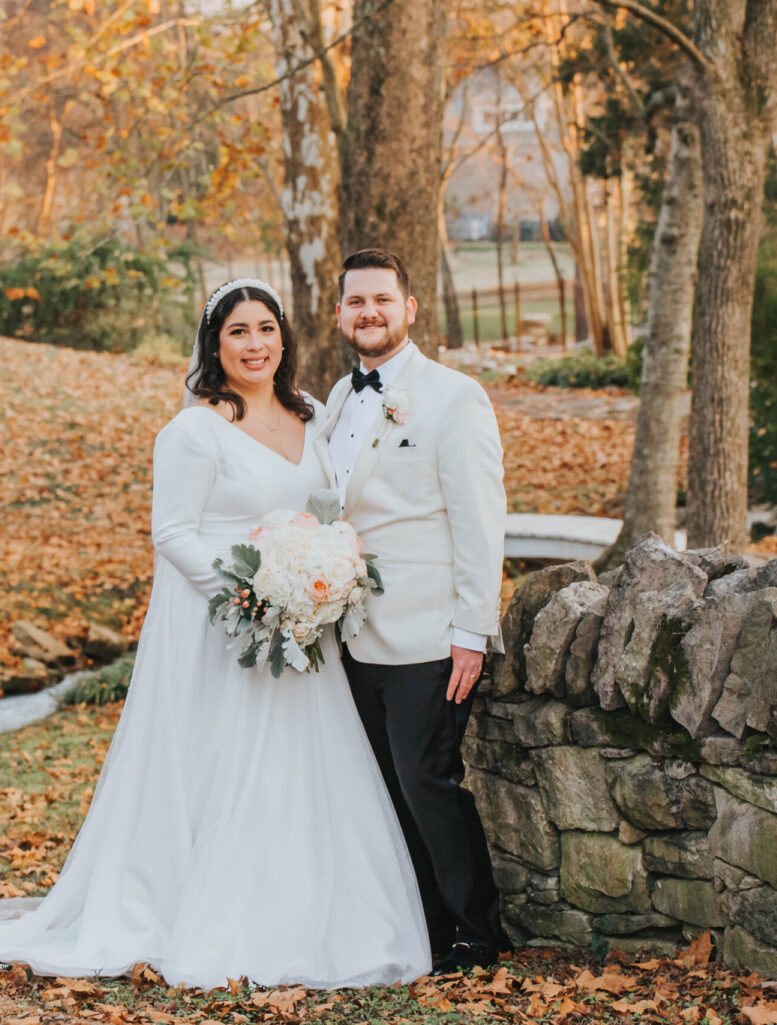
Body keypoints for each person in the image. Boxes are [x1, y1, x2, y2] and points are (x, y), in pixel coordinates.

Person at [0, 279, 431, 989]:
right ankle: (208, 908)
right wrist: (250, 594)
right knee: (219, 766)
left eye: (265, 328)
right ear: (214, 345)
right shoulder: (193, 430)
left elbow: (325, 510)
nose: (255, 343)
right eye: (237, 331)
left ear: (285, 337)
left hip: (300, 633)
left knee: (303, 769)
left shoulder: (313, 414)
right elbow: (171, 531)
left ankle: (316, 911)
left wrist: (316, 582)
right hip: (220, 624)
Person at [323, 248, 511, 974]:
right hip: (351, 633)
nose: (368, 312)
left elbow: (478, 520)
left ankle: (476, 928)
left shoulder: (454, 396)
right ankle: (423, 924)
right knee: (385, 789)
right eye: (355, 302)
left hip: (429, 634)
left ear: (410, 308)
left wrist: (473, 631)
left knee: (427, 782)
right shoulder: (338, 399)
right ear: (339, 314)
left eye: (381, 299)